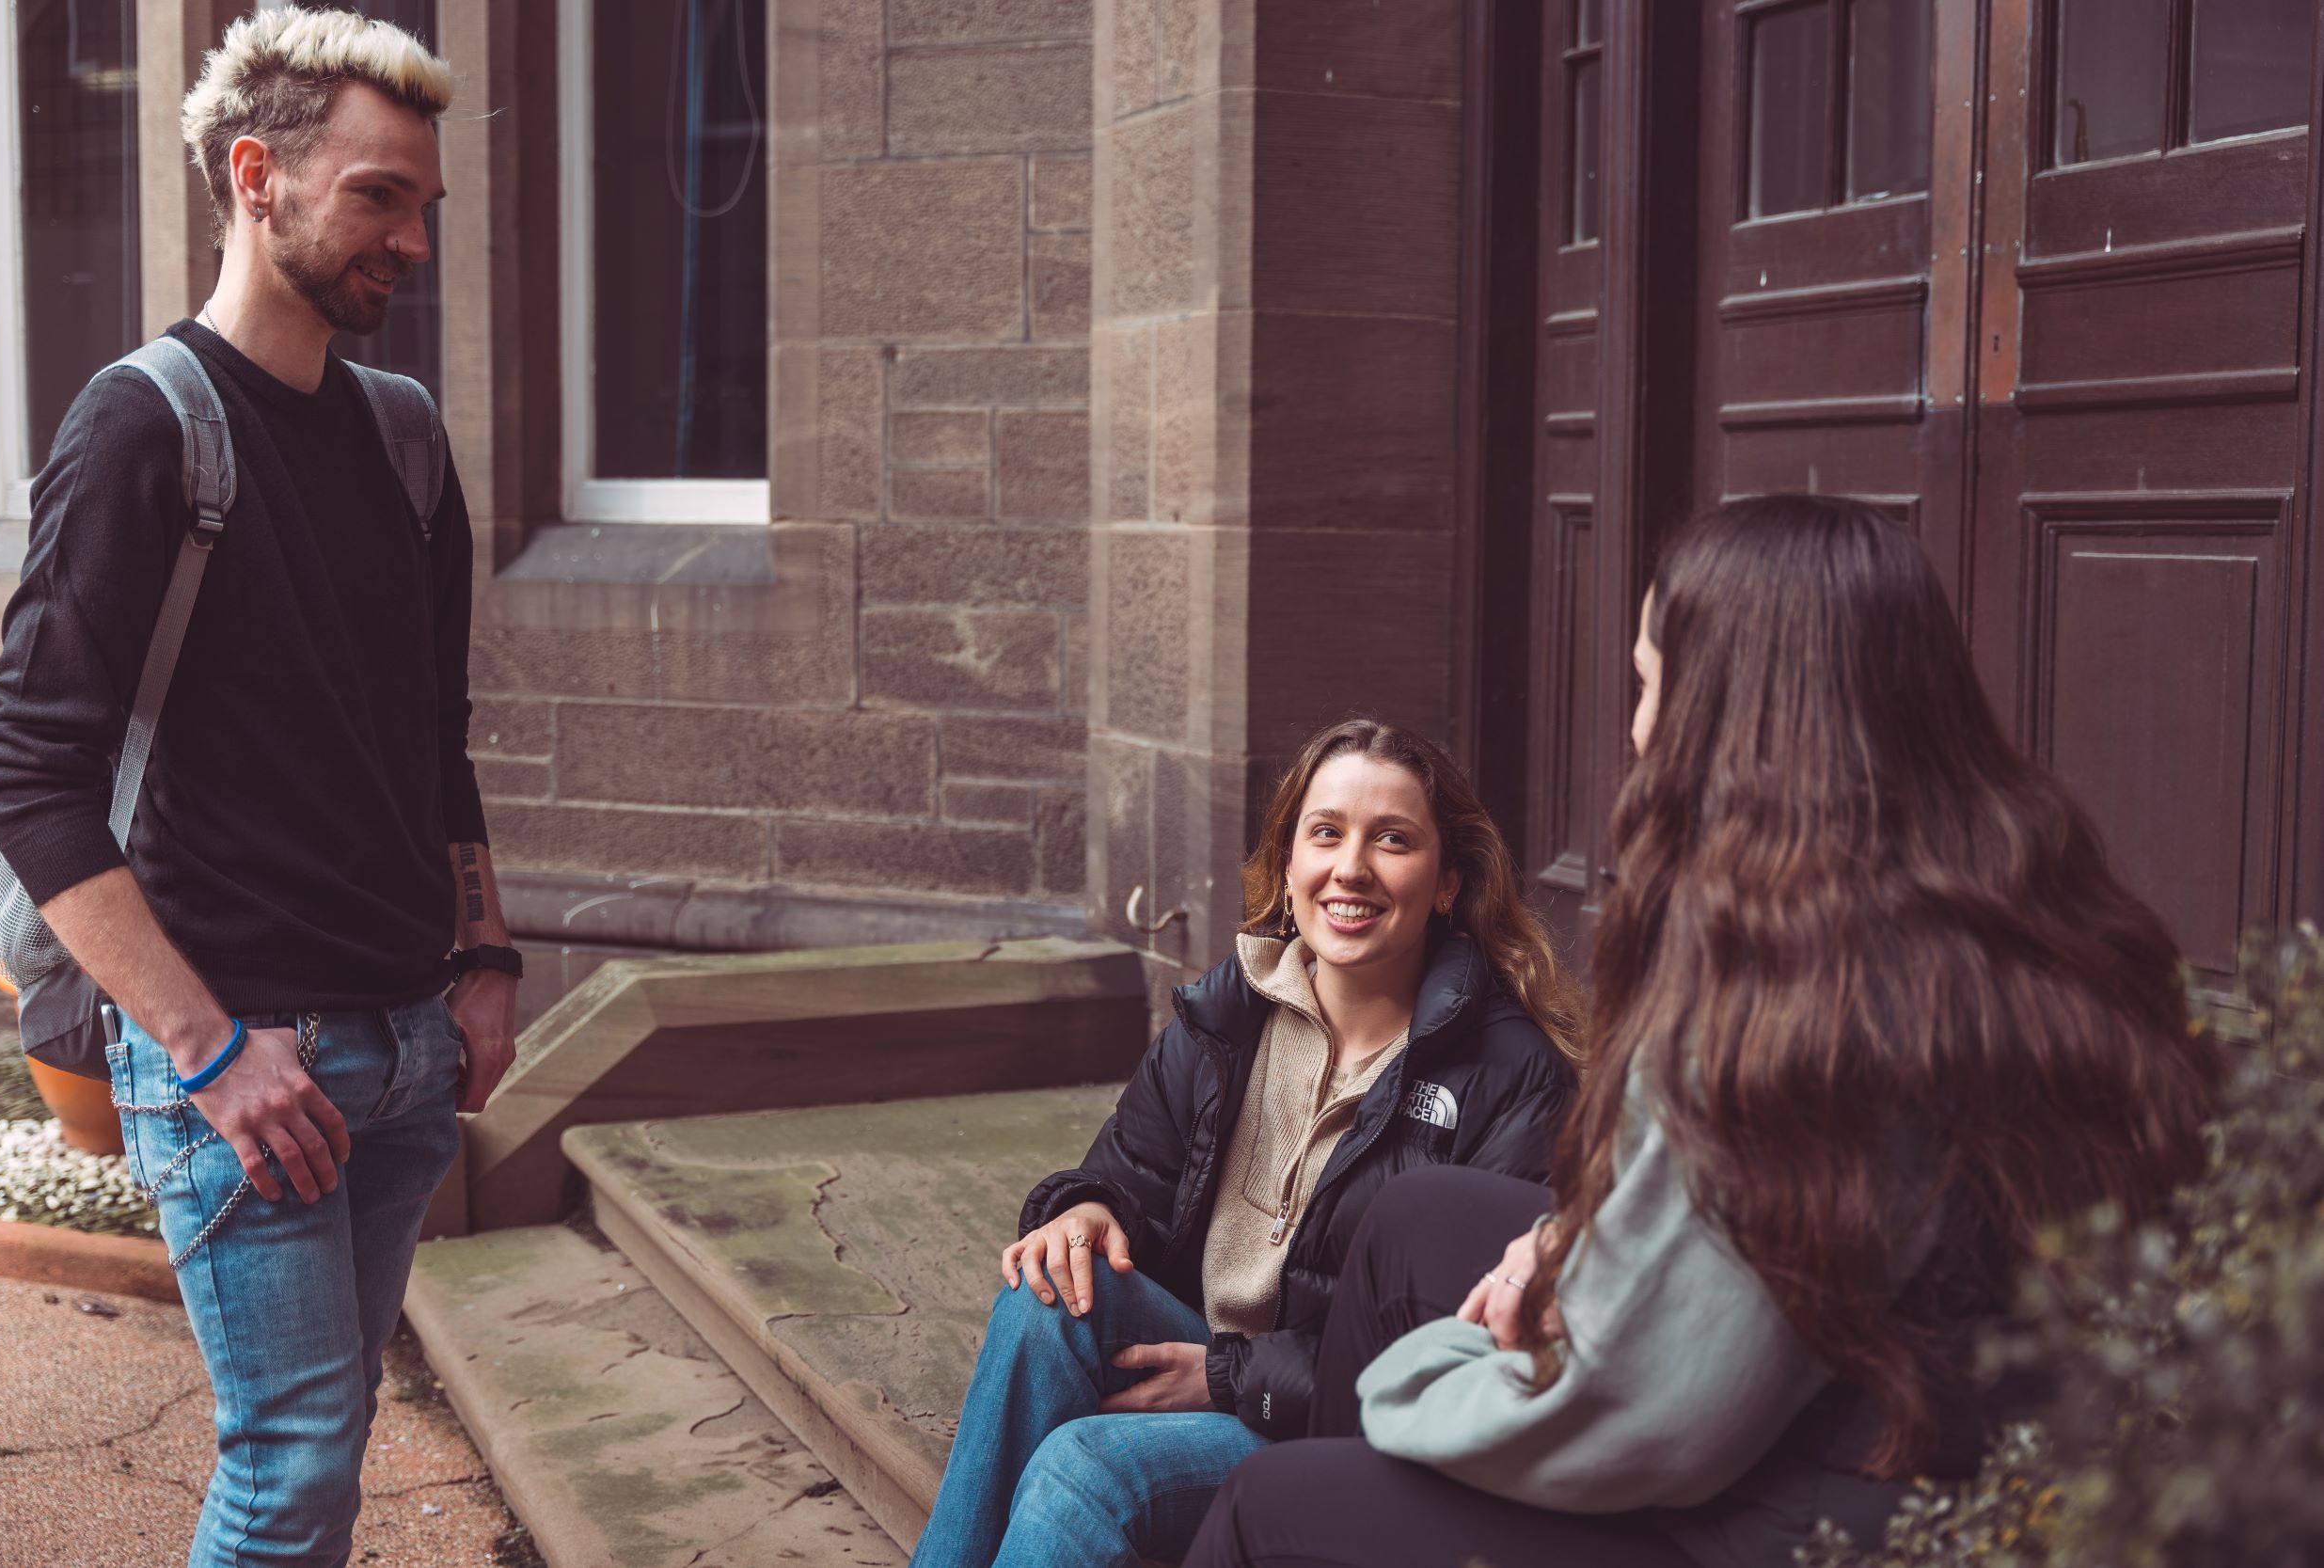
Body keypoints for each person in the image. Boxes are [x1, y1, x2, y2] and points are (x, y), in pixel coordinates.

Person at [1183, 496, 2221, 1568]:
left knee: (1272, 1503)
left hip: (1824, 1523)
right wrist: (1567, 1240)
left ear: (1731, 718)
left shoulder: (1794, 1006)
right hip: (1919, 1434)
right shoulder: (2006, 907)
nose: (1635, 727)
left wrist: (1427, 1381)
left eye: (1647, 683)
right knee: (1420, 1213)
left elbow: (1648, 1420)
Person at [0, 13, 519, 1565]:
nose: (411, 239)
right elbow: (28, 778)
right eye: (377, 197)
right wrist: (209, 1051)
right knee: (287, 1465)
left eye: (426, 205)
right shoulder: (141, 428)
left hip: (407, 1045)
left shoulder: (406, 440)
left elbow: (437, 737)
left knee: (327, 1446)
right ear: (255, 176)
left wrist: (481, 961)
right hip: (247, 1060)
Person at [909, 720, 1585, 1568]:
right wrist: (1085, 1208)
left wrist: (1233, 1378)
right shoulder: (1226, 1016)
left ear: (1447, 882)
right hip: (1200, 1349)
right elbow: (1128, 1176)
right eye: (1326, 832)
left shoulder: (1512, 1073)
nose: (1352, 867)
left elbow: (1462, 1342)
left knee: (1082, 1467)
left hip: (1342, 1430)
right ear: (1290, 863)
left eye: (1394, 840)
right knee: (1048, 1292)